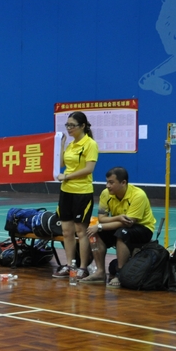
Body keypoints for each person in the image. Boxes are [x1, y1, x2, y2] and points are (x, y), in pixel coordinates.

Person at [82, 167, 156, 286]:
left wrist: (100, 227)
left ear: (123, 182)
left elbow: (129, 222)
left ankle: (120, 274)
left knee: (122, 232)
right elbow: (102, 218)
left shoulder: (138, 195)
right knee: (94, 233)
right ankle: (100, 272)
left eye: (111, 182)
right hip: (119, 225)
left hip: (143, 228)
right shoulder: (105, 194)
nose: (107, 185)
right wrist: (117, 217)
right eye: (107, 182)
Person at [53, 111, 99, 280]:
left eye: (72, 125)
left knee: (81, 231)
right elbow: (61, 163)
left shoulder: (90, 144)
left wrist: (67, 176)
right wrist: (61, 145)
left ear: (83, 126)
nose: (69, 128)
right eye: (67, 125)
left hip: (82, 193)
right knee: (67, 232)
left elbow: (89, 169)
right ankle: (70, 265)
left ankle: (83, 267)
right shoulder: (71, 145)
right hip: (66, 192)